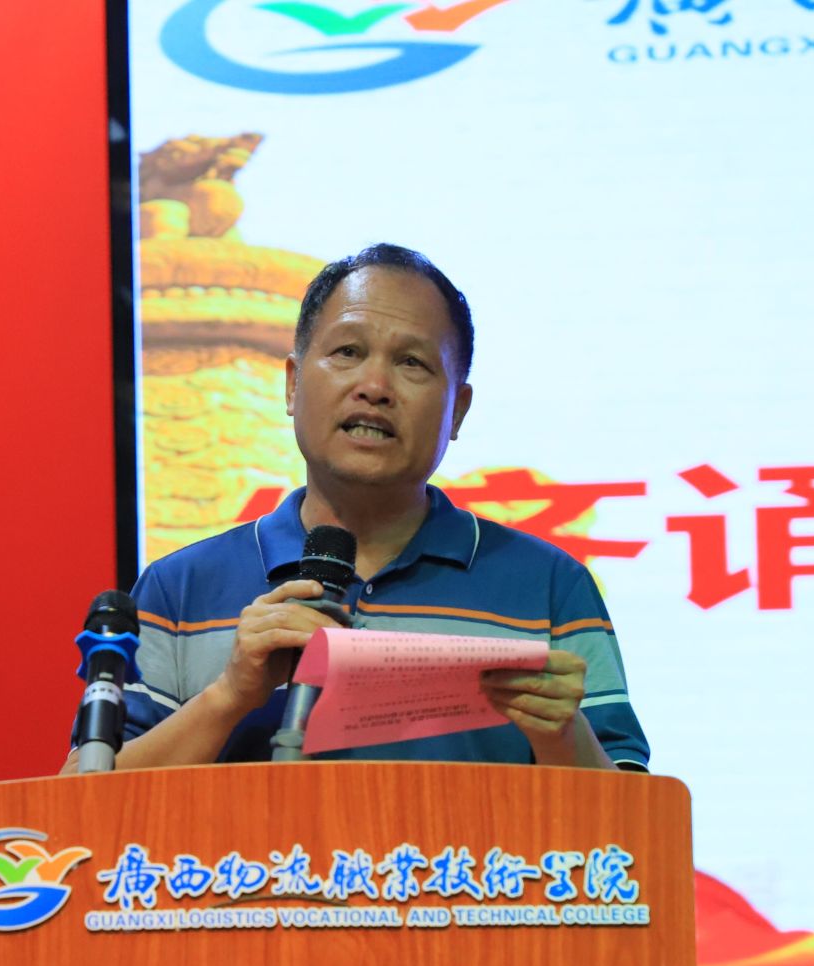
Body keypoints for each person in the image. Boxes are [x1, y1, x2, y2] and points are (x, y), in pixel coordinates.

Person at [71, 242, 648, 773]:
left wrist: (563, 735)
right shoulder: (180, 587)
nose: (375, 386)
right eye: (347, 352)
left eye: (412, 363)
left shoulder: (550, 587)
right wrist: (229, 696)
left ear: (458, 410)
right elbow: (84, 805)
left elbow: (632, 825)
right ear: (292, 384)